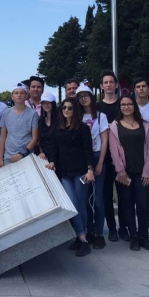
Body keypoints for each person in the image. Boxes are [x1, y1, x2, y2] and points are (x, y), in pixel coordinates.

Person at [46, 98, 94, 257]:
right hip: (65, 173)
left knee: (80, 205)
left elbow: (88, 150)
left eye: (70, 108)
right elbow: (54, 148)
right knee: (72, 205)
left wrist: (90, 170)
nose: (66, 110)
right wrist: (52, 161)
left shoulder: (82, 128)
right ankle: (81, 236)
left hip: (81, 172)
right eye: (64, 107)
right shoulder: (57, 128)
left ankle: (83, 239)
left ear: (75, 110)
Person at [108, 95, 149, 251]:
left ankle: (144, 236)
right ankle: (133, 237)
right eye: (123, 104)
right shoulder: (114, 126)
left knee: (143, 206)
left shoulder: (146, 125)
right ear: (119, 107)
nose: (126, 107)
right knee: (127, 205)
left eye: (129, 104)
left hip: (142, 172)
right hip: (124, 174)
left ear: (134, 106)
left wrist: (147, 172)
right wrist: (120, 171)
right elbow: (114, 151)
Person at [77, 85, 108, 249]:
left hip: (97, 156)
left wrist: (101, 161)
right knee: (84, 199)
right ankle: (89, 230)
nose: (83, 98)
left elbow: (104, 140)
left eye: (86, 95)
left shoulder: (101, 116)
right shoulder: (77, 116)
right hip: (81, 160)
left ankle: (99, 233)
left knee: (98, 199)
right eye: (80, 96)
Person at [96, 70, 125, 242]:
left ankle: (124, 227)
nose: (108, 85)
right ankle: (112, 228)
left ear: (116, 85)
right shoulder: (98, 107)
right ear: (101, 86)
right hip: (105, 157)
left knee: (124, 195)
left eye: (111, 82)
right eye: (105, 82)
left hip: (122, 156)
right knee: (106, 195)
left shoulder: (124, 104)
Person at [0, 83, 39, 166]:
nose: (19, 95)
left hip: (27, 157)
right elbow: (2, 136)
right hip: (9, 157)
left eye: (22, 93)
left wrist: (22, 154)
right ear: (12, 96)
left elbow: (35, 138)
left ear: (26, 95)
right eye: (16, 93)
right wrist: (0, 159)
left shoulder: (33, 114)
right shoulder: (5, 113)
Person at [36, 93, 59, 162]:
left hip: (59, 158)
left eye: (48, 102)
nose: (46, 105)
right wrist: (40, 152)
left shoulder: (60, 120)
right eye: (43, 103)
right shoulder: (41, 121)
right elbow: (39, 139)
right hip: (45, 158)